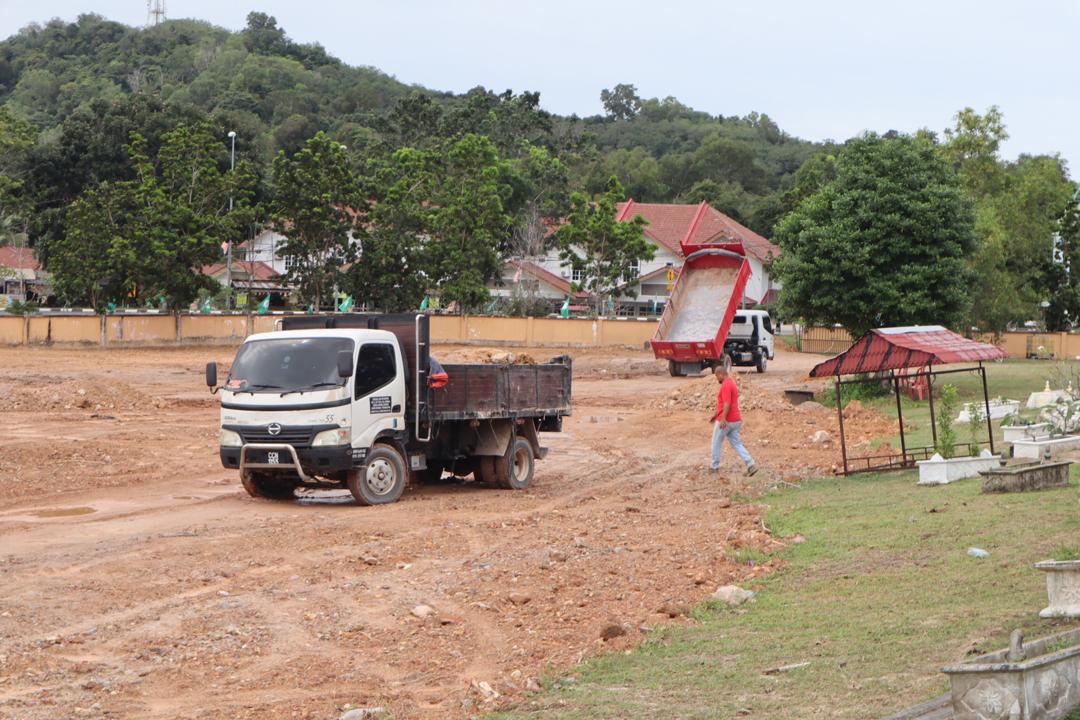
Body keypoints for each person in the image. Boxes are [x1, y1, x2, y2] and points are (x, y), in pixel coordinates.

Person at [709, 357, 757, 476]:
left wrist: (723, 418)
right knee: (736, 443)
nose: (716, 379)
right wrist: (716, 415)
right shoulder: (731, 383)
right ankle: (751, 464)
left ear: (721, 374)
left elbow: (727, 403)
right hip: (736, 420)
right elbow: (726, 403)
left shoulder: (725, 385)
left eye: (716, 376)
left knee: (716, 442)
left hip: (726, 420)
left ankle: (713, 468)